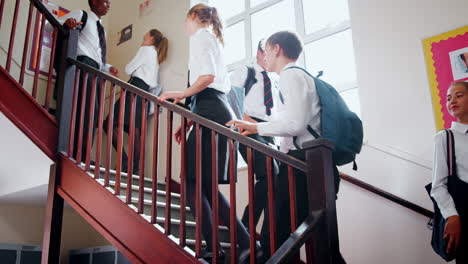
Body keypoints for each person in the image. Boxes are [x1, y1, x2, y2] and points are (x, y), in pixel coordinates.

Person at [227, 31, 345, 263]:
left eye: (267, 50)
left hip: (303, 164)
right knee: (319, 240)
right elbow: (295, 121)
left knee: (277, 236)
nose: (264, 56)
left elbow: (295, 124)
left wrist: (255, 128)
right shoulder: (298, 76)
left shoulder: (291, 76)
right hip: (312, 163)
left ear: (277, 49)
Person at [159, 4, 253, 263]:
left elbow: (207, 78)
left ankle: (215, 248)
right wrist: (187, 121)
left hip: (212, 113)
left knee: (189, 181)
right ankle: (245, 244)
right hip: (213, 112)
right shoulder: (210, 40)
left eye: (184, 20)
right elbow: (207, 87)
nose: (184, 26)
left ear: (192, 17)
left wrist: (179, 93)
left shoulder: (201, 37)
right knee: (207, 187)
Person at [48, 0, 119, 162]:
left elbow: (95, 55)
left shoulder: (102, 29)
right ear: (94, 1)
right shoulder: (82, 14)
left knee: (93, 114)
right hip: (82, 66)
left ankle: (83, 154)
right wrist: (67, 22)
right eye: (106, 1)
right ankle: (73, 153)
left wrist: (108, 68)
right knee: (82, 110)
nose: (109, 4)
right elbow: (50, 25)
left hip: (95, 71)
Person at [230, 39, 280, 233]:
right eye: (266, 52)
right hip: (247, 126)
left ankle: (260, 237)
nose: (269, 57)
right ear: (258, 53)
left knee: (273, 182)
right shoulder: (246, 71)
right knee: (270, 175)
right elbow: (232, 99)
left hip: (268, 131)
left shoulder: (275, 79)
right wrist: (251, 124)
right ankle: (245, 229)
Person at [106, 29, 168, 175]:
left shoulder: (146, 49)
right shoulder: (155, 55)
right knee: (135, 130)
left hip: (135, 88)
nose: (144, 35)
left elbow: (128, 69)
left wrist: (133, 71)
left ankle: (125, 159)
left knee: (109, 123)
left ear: (151, 38)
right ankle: (135, 169)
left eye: (146, 34)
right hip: (145, 94)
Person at [431, 81, 468, 263]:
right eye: (448, 98)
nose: (452, 100)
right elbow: (438, 185)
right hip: (464, 213)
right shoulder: (445, 137)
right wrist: (452, 216)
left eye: (459, 95)